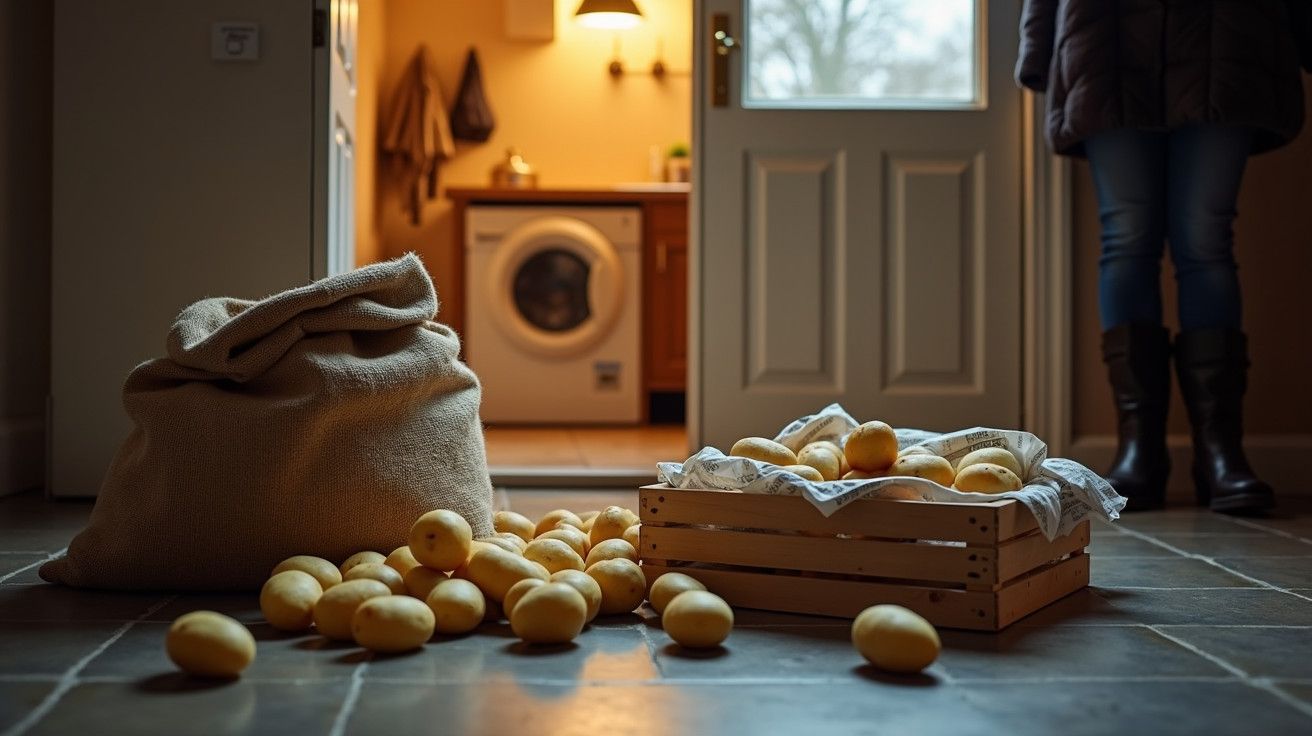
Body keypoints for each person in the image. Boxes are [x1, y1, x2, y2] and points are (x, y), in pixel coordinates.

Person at [1016, 1, 1312, 513]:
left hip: (1228, 35)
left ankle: (1221, 453)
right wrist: (1038, 47)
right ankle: (1140, 451)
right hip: (1104, 37)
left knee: (1206, 240)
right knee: (1127, 239)